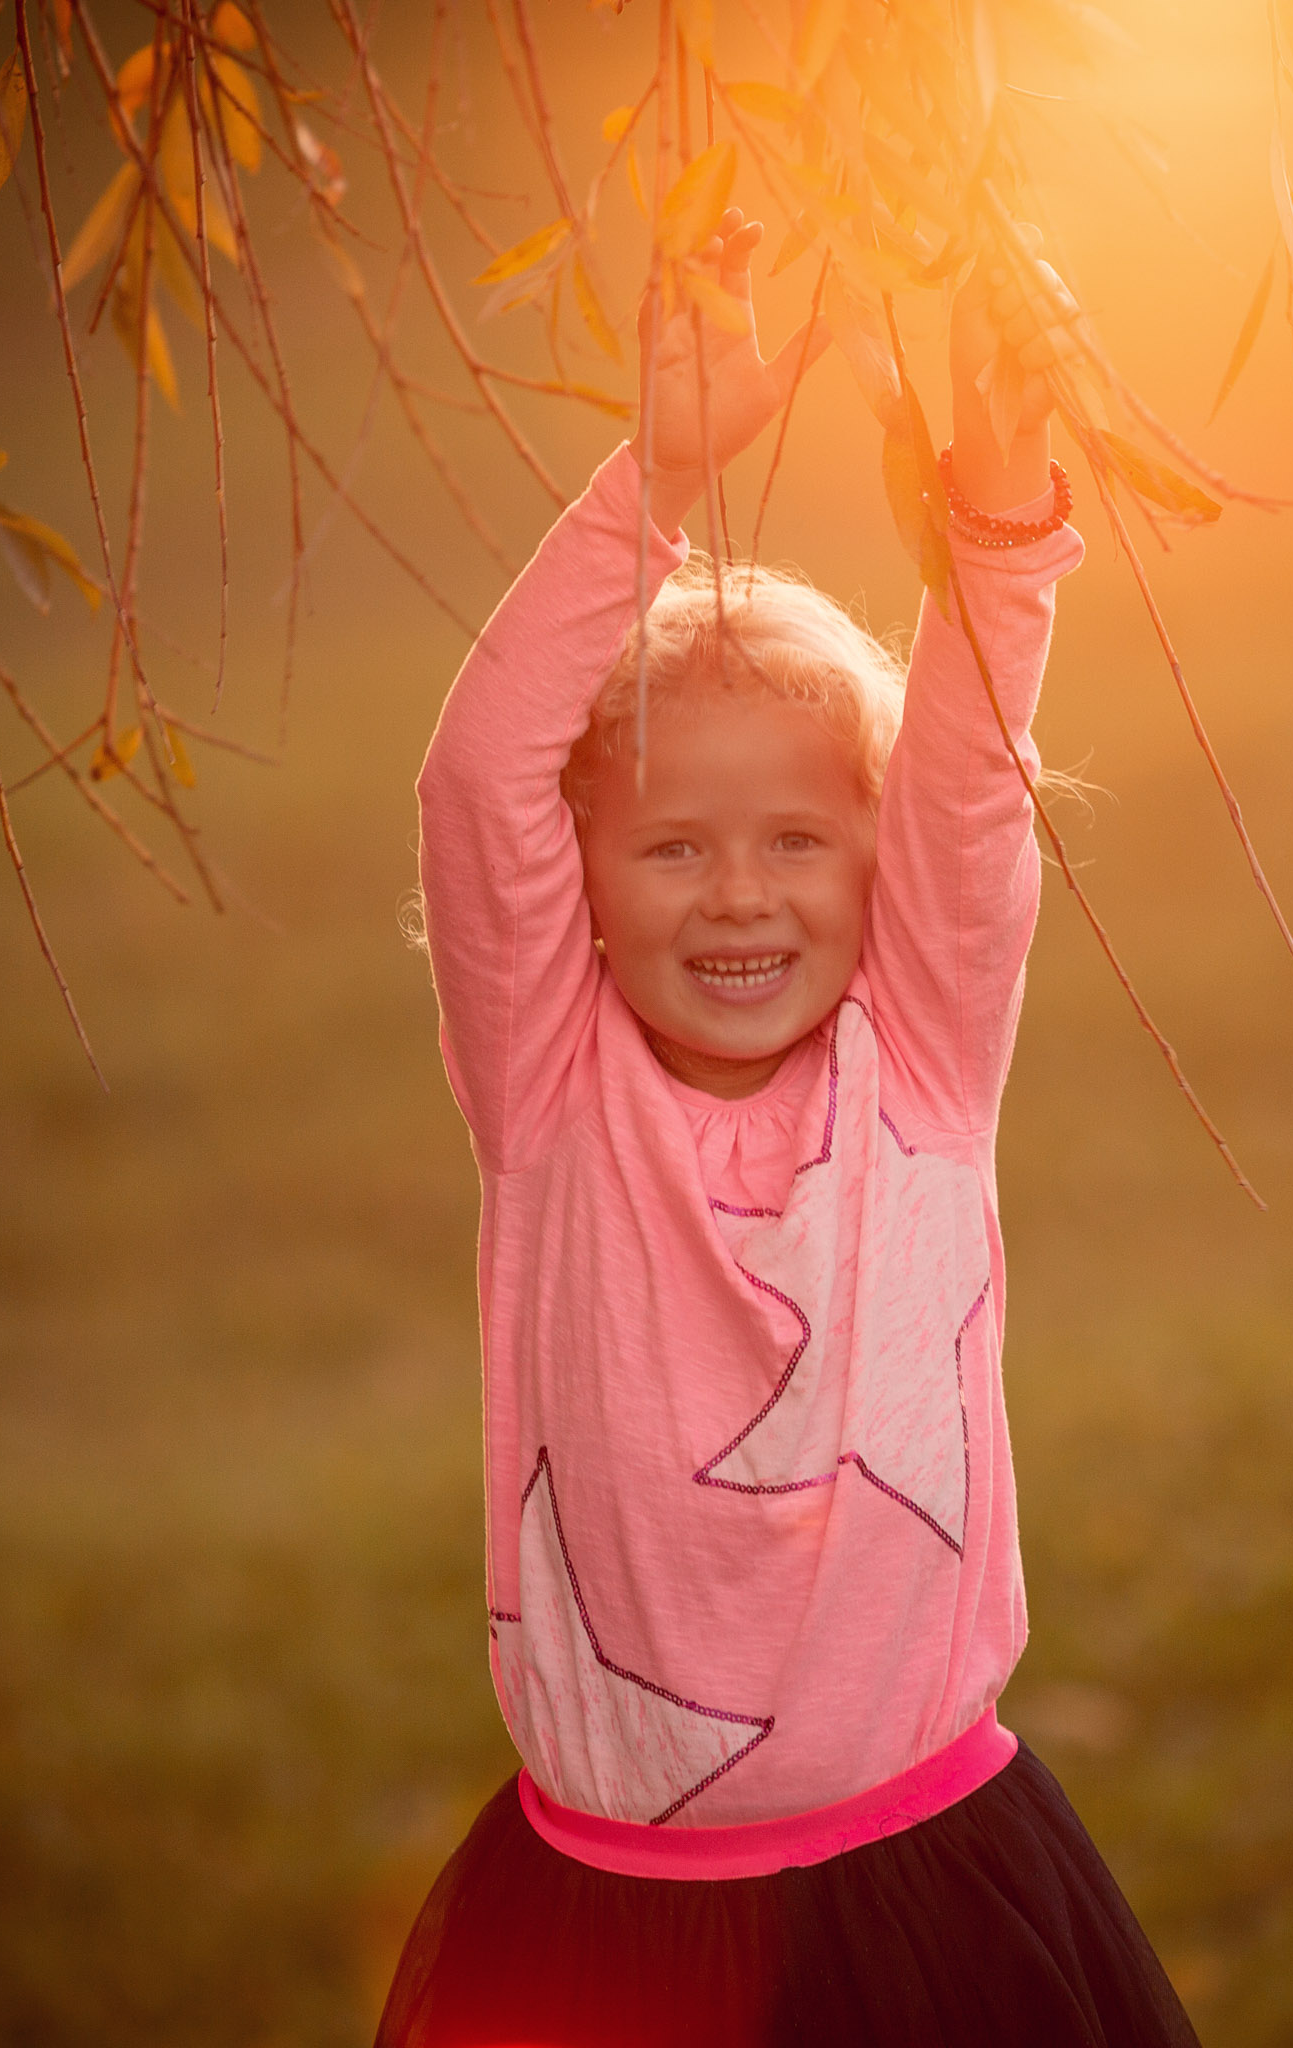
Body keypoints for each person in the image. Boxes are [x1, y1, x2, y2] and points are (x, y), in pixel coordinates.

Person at [381, 204, 1201, 2048]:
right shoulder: (549, 1086)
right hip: (607, 1924)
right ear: (578, 880)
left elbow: (976, 787)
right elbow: (473, 771)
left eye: (798, 841)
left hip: (931, 1889)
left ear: (869, 862)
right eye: (674, 844)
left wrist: (996, 522)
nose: (737, 897)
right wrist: (660, 479)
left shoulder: (919, 1054)